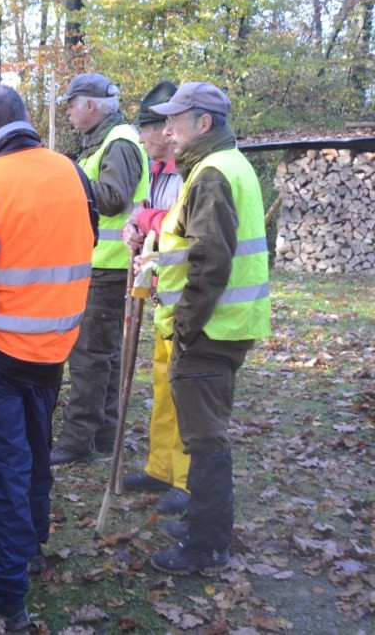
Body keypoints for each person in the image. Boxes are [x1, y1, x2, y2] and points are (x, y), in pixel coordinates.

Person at [0, 85, 97, 629]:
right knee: (33, 449)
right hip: (53, 345)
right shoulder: (71, 172)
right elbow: (85, 241)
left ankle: (5, 590)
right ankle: (29, 544)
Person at [145, 82, 271, 574]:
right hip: (226, 324)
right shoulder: (225, 165)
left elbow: (209, 260)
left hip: (211, 328)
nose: (167, 131)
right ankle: (204, 523)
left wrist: (186, 325)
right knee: (203, 432)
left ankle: (207, 545)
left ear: (203, 123)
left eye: (175, 121)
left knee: (204, 437)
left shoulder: (214, 173)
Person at [51, 72, 149, 466]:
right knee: (102, 356)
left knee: (90, 357)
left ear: (91, 105)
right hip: (100, 265)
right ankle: (106, 434)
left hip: (108, 268)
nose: (69, 113)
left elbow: (110, 198)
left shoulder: (119, 141)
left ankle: (76, 441)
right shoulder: (103, 142)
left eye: (71, 105)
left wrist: (64, 181)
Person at [120, 81, 192, 516]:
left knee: (185, 391)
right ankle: (161, 468)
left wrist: (144, 218)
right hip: (166, 294)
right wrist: (136, 229)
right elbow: (151, 222)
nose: (143, 137)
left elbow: (180, 222)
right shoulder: (157, 171)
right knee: (163, 385)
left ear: (166, 129)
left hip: (191, 297)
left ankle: (186, 479)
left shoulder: (189, 170)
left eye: (146, 128)